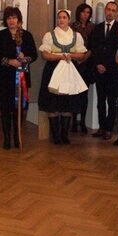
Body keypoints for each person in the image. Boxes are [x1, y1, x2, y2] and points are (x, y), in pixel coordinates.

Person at [0, 7, 38, 149]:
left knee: (19, 109)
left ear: (19, 20)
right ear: (6, 20)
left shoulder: (27, 36)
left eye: (14, 18)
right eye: (9, 18)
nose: (12, 21)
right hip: (4, 78)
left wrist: (25, 58)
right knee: (5, 109)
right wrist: (9, 61)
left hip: (21, 78)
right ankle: (6, 138)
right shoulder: (0, 35)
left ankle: (17, 137)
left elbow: (33, 55)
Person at [38, 9, 88, 144]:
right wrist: (60, 56)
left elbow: (82, 54)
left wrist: (70, 56)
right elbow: (44, 54)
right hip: (53, 70)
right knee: (53, 102)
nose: (61, 20)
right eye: (59, 17)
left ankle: (64, 135)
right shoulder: (50, 35)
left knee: (67, 102)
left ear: (69, 19)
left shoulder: (76, 36)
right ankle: (56, 136)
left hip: (70, 70)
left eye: (64, 17)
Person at [89, 1, 118, 140]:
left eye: (113, 10)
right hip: (98, 70)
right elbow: (93, 48)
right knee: (100, 100)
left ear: (116, 12)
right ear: (104, 11)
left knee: (111, 101)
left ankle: (109, 128)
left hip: (113, 71)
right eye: (108, 9)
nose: (110, 12)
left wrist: (106, 65)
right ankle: (101, 127)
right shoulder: (97, 28)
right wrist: (98, 64)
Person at [71, 3, 95, 134]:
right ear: (78, 13)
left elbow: (94, 45)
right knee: (74, 93)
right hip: (74, 63)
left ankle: (83, 121)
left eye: (88, 12)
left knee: (84, 94)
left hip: (88, 63)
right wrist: (77, 57)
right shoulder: (72, 26)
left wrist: (86, 57)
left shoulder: (93, 27)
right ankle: (74, 121)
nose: (85, 15)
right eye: (83, 12)